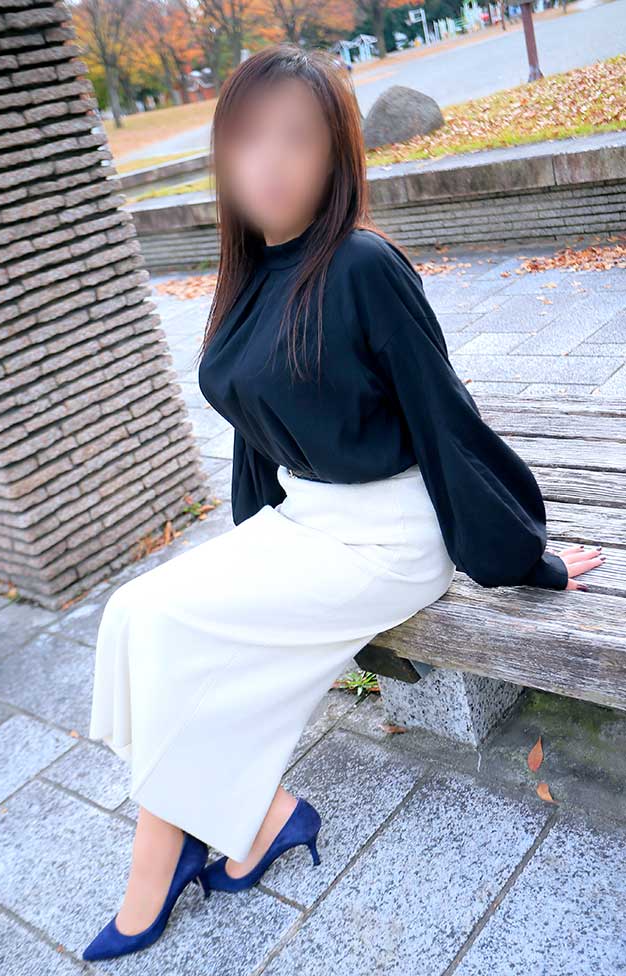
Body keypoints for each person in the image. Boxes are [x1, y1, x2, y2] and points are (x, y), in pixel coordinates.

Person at [82, 43, 603, 962]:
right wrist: (251, 539)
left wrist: (531, 558)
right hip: (307, 521)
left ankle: (157, 871)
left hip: (389, 537)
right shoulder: (248, 272)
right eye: (249, 138)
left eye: (299, 139)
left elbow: (446, 418)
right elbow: (256, 424)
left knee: (166, 625)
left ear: (337, 157)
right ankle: (262, 820)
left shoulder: (362, 266)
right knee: (136, 615)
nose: (270, 161)